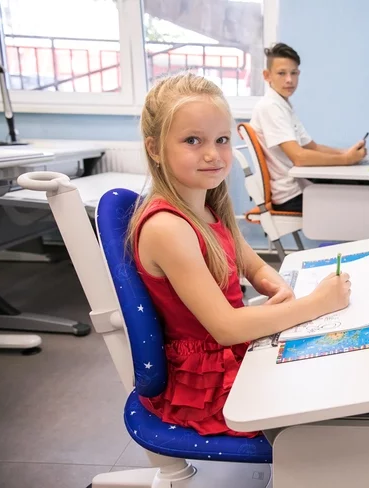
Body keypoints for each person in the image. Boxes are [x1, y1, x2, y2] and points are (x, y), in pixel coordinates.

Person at [127, 72, 352, 436]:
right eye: (192, 140)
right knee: (329, 402)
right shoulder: (168, 227)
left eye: (222, 140)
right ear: (154, 149)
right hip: (209, 382)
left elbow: (252, 264)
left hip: (232, 351)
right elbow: (226, 328)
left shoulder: (208, 208)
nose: (212, 154)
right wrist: (319, 303)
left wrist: (274, 284)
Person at [250, 42, 367, 212]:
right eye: (281, 73)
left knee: (358, 189)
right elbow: (300, 157)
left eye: (294, 73)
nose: (289, 80)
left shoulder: (283, 104)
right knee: (360, 199)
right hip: (290, 196)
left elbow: (312, 147)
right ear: (267, 76)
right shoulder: (270, 107)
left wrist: (347, 152)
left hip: (300, 186)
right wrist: (346, 160)